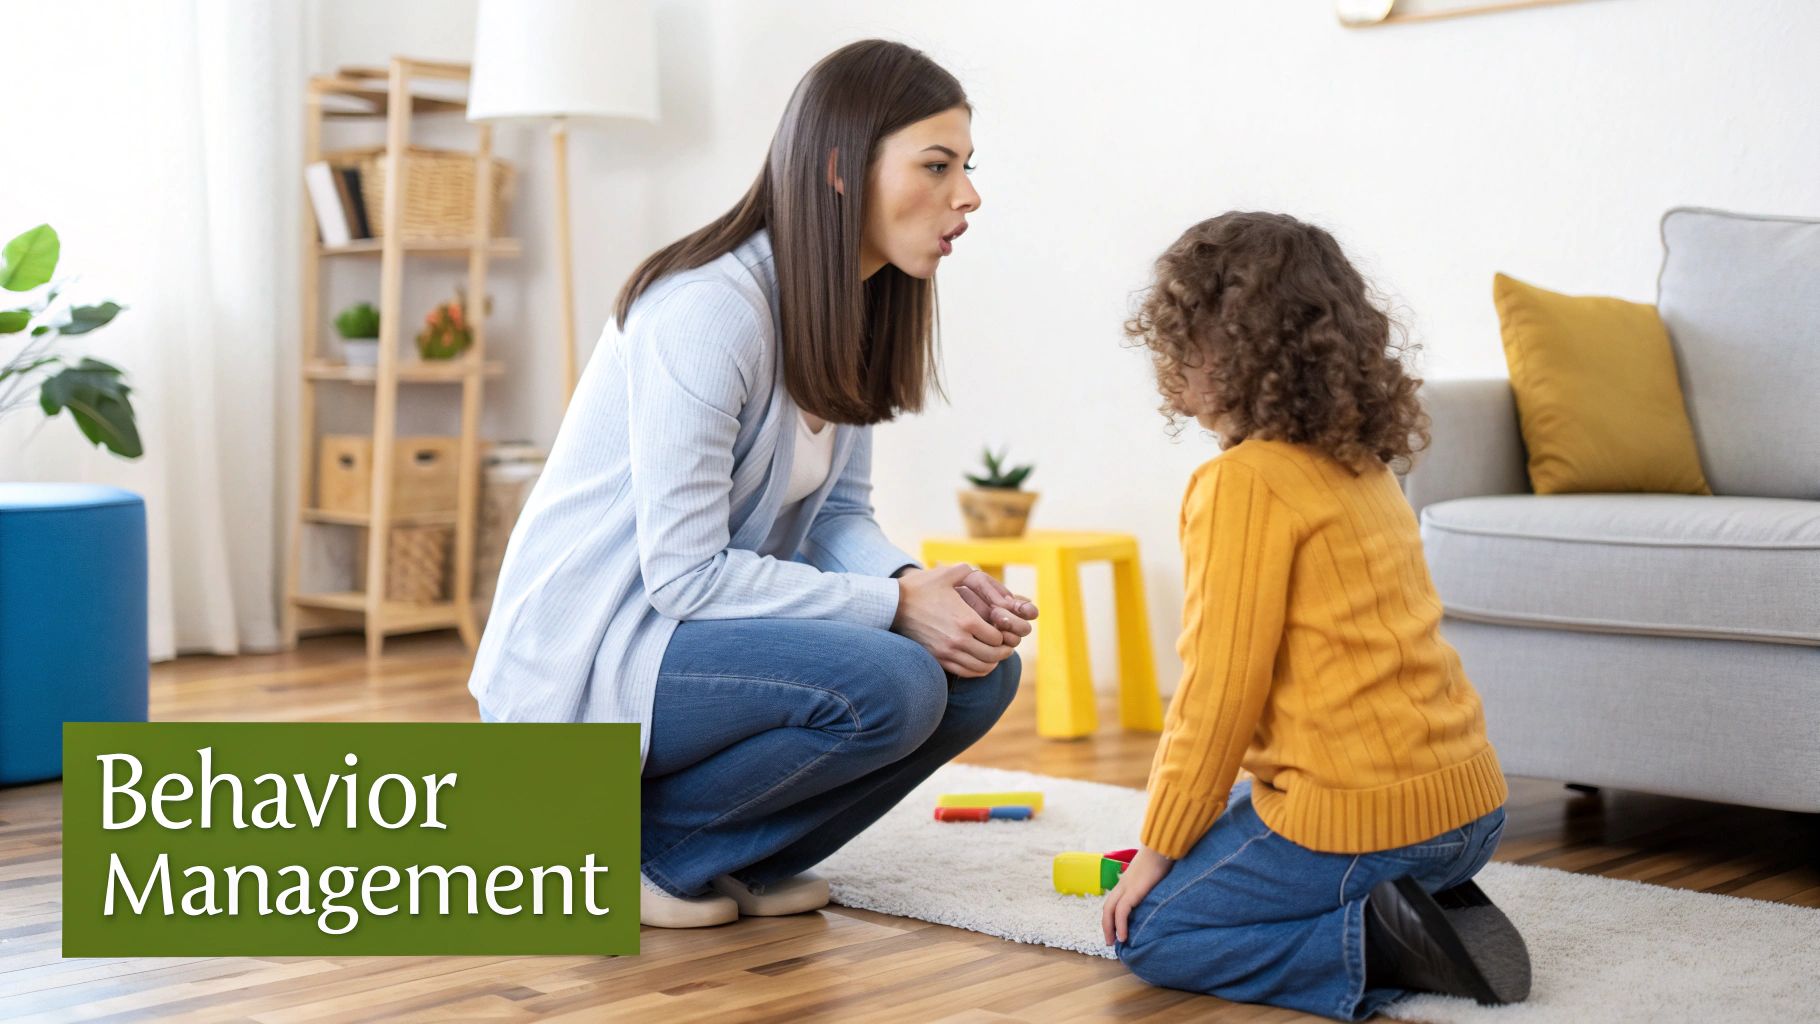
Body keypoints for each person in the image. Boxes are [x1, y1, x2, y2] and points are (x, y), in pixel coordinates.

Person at [468, 39, 1036, 929]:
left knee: (978, 677)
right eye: (936, 165)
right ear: (843, 168)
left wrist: (917, 587)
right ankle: (652, 857)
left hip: (695, 636)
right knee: (894, 683)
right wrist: (893, 611)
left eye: (966, 167)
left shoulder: (845, 308)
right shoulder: (707, 310)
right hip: (599, 652)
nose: (967, 195)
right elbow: (683, 576)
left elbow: (840, 513)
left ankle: (741, 853)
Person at [1103, 211, 1530, 1019]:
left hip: (1371, 824)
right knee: (1236, 813)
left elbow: (1216, 696)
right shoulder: (1362, 464)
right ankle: (1417, 900)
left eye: (1180, 341)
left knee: (1153, 932)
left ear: (1217, 353)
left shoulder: (1240, 485)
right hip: (1473, 809)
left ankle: (1377, 938)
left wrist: (1155, 852)